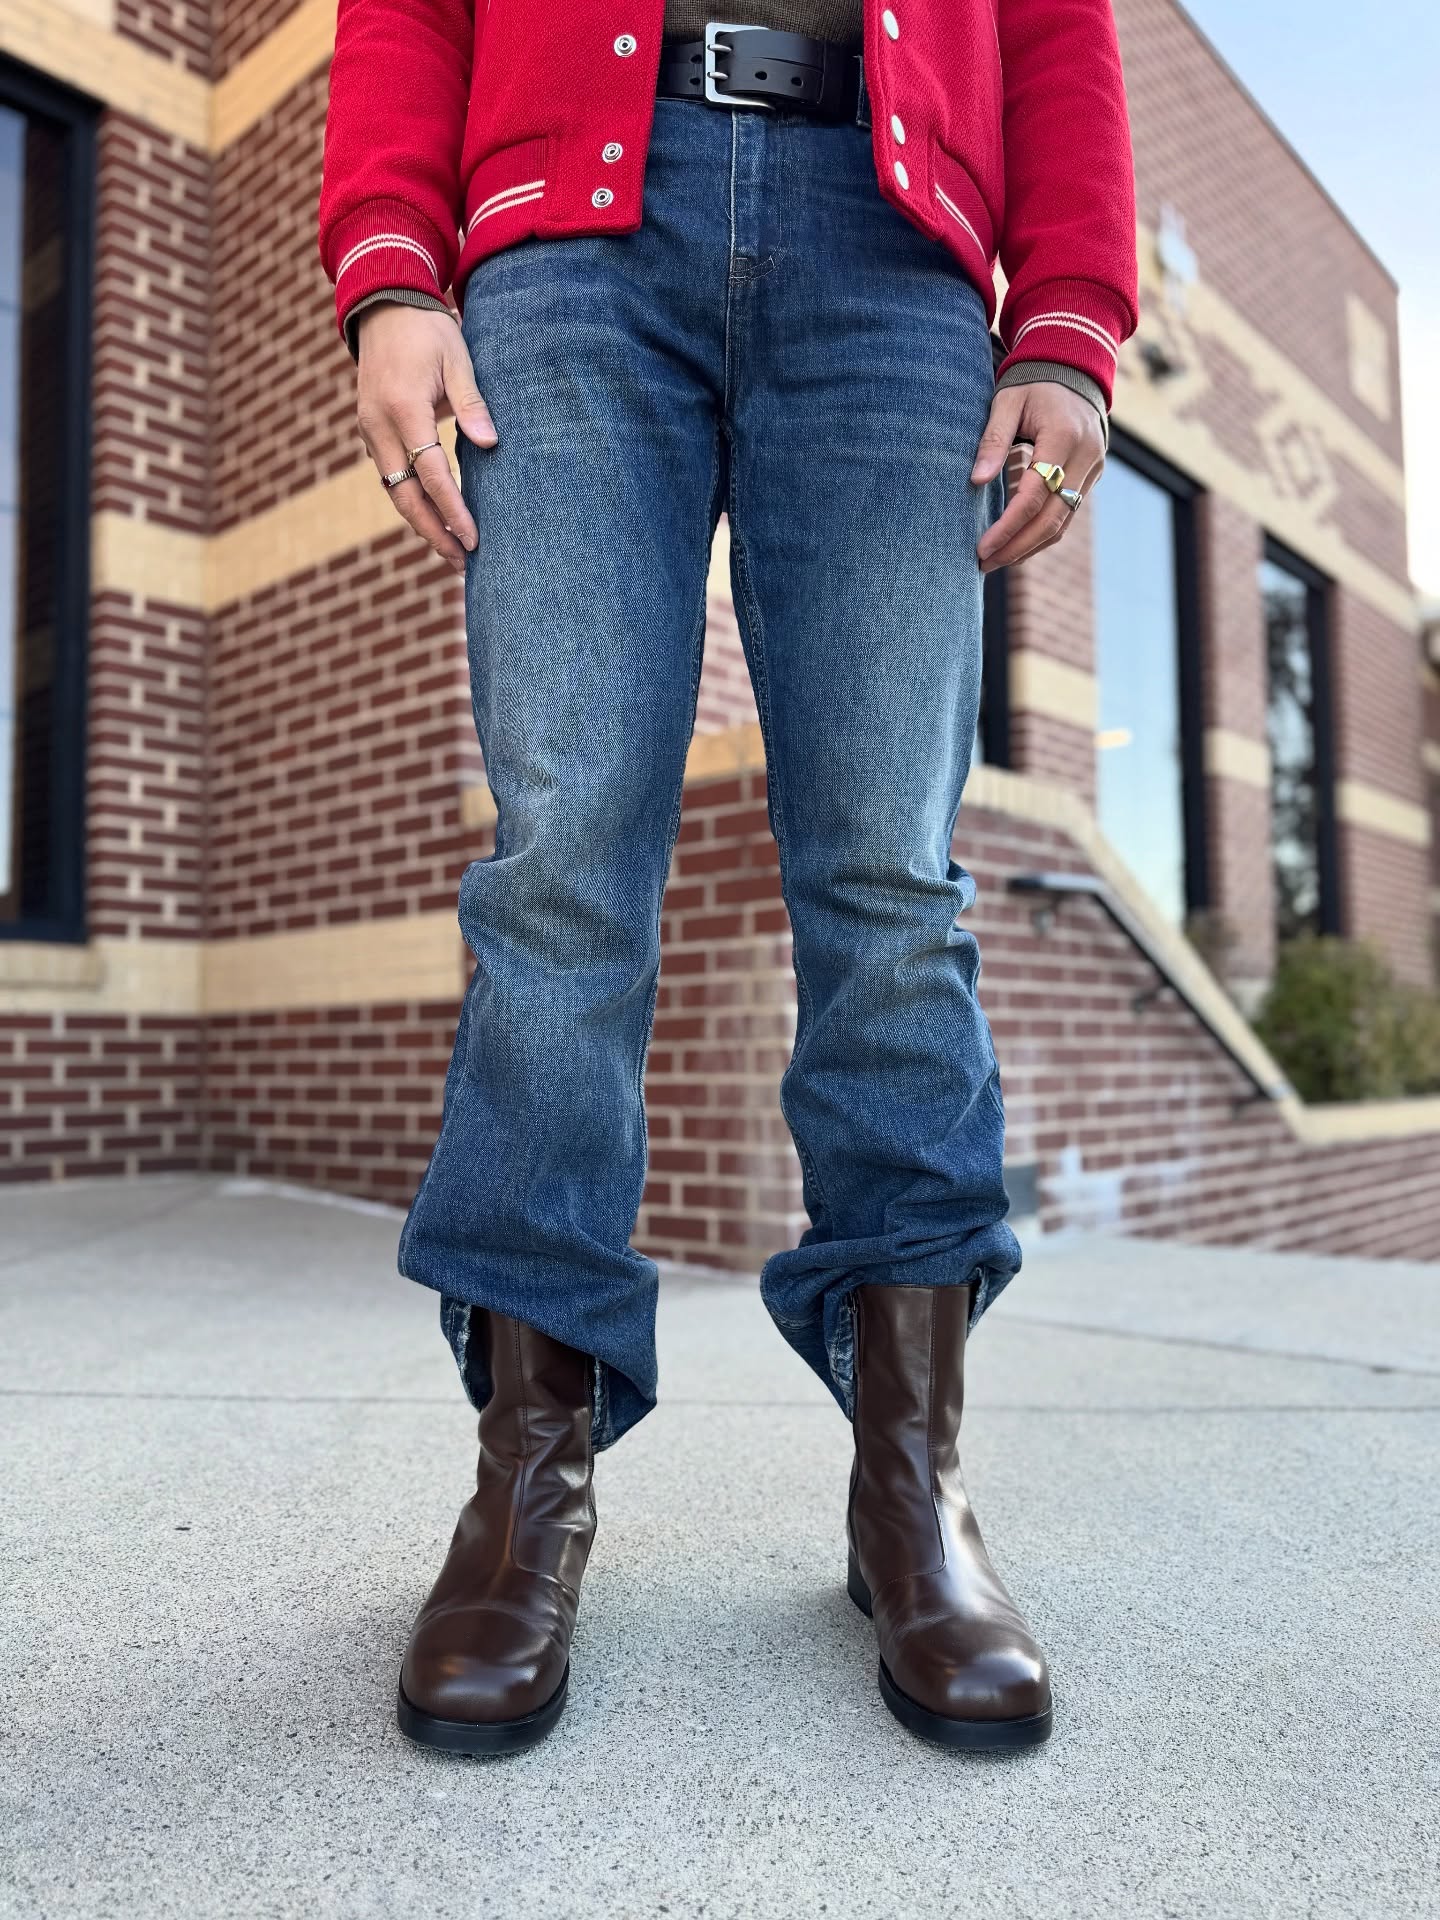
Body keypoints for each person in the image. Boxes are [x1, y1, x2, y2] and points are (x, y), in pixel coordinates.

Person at [317, 0, 1137, 1756]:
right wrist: (393, 264)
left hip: (895, 245)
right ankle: (526, 1492)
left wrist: (1068, 318)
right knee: (561, 875)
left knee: (891, 886)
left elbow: (1058, 27)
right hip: (569, 244)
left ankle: (910, 1487)